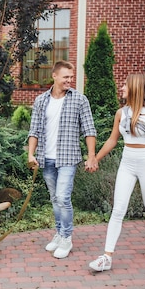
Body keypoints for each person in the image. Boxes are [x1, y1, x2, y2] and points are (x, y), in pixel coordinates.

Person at [85, 73, 145, 272]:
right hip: (127, 162)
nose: (121, 88)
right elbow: (113, 140)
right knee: (118, 209)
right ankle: (107, 256)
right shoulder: (121, 113)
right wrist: (95, 158)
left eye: (125, 86)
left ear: (136, 89)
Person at [27, 60, 97, 259]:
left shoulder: (79, 100)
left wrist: (91, 156)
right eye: (66, 77)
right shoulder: (41, 101)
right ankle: (59, 233)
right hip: (46, 158)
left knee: (63, 199)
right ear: (55, 76)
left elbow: (89, 130)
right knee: (54, 199)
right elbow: (34, 131)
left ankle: (66, 237)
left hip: (67, 158)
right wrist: (31, 154)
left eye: (71, 77)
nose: (69, 80)